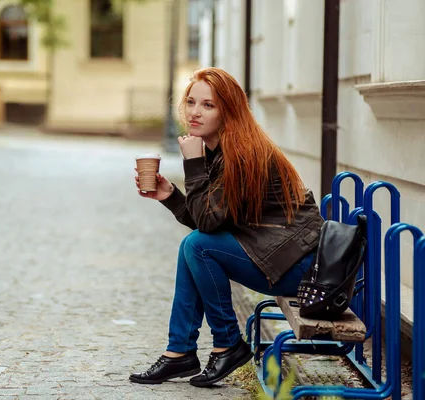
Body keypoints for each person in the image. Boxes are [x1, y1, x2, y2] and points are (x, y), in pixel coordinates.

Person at [130, 67, 323, 387]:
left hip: (300, 265)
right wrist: (170, 196)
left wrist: (192, 164)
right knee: (193, 245)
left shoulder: (243, 153)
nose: (195, 112)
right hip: (278, 252)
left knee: (197, 245)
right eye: (191, 102)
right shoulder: (224, 149)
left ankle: (227, 344)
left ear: (228, 111)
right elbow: (214, 220)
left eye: (208, 105)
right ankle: (180, 352)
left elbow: (207, 226)